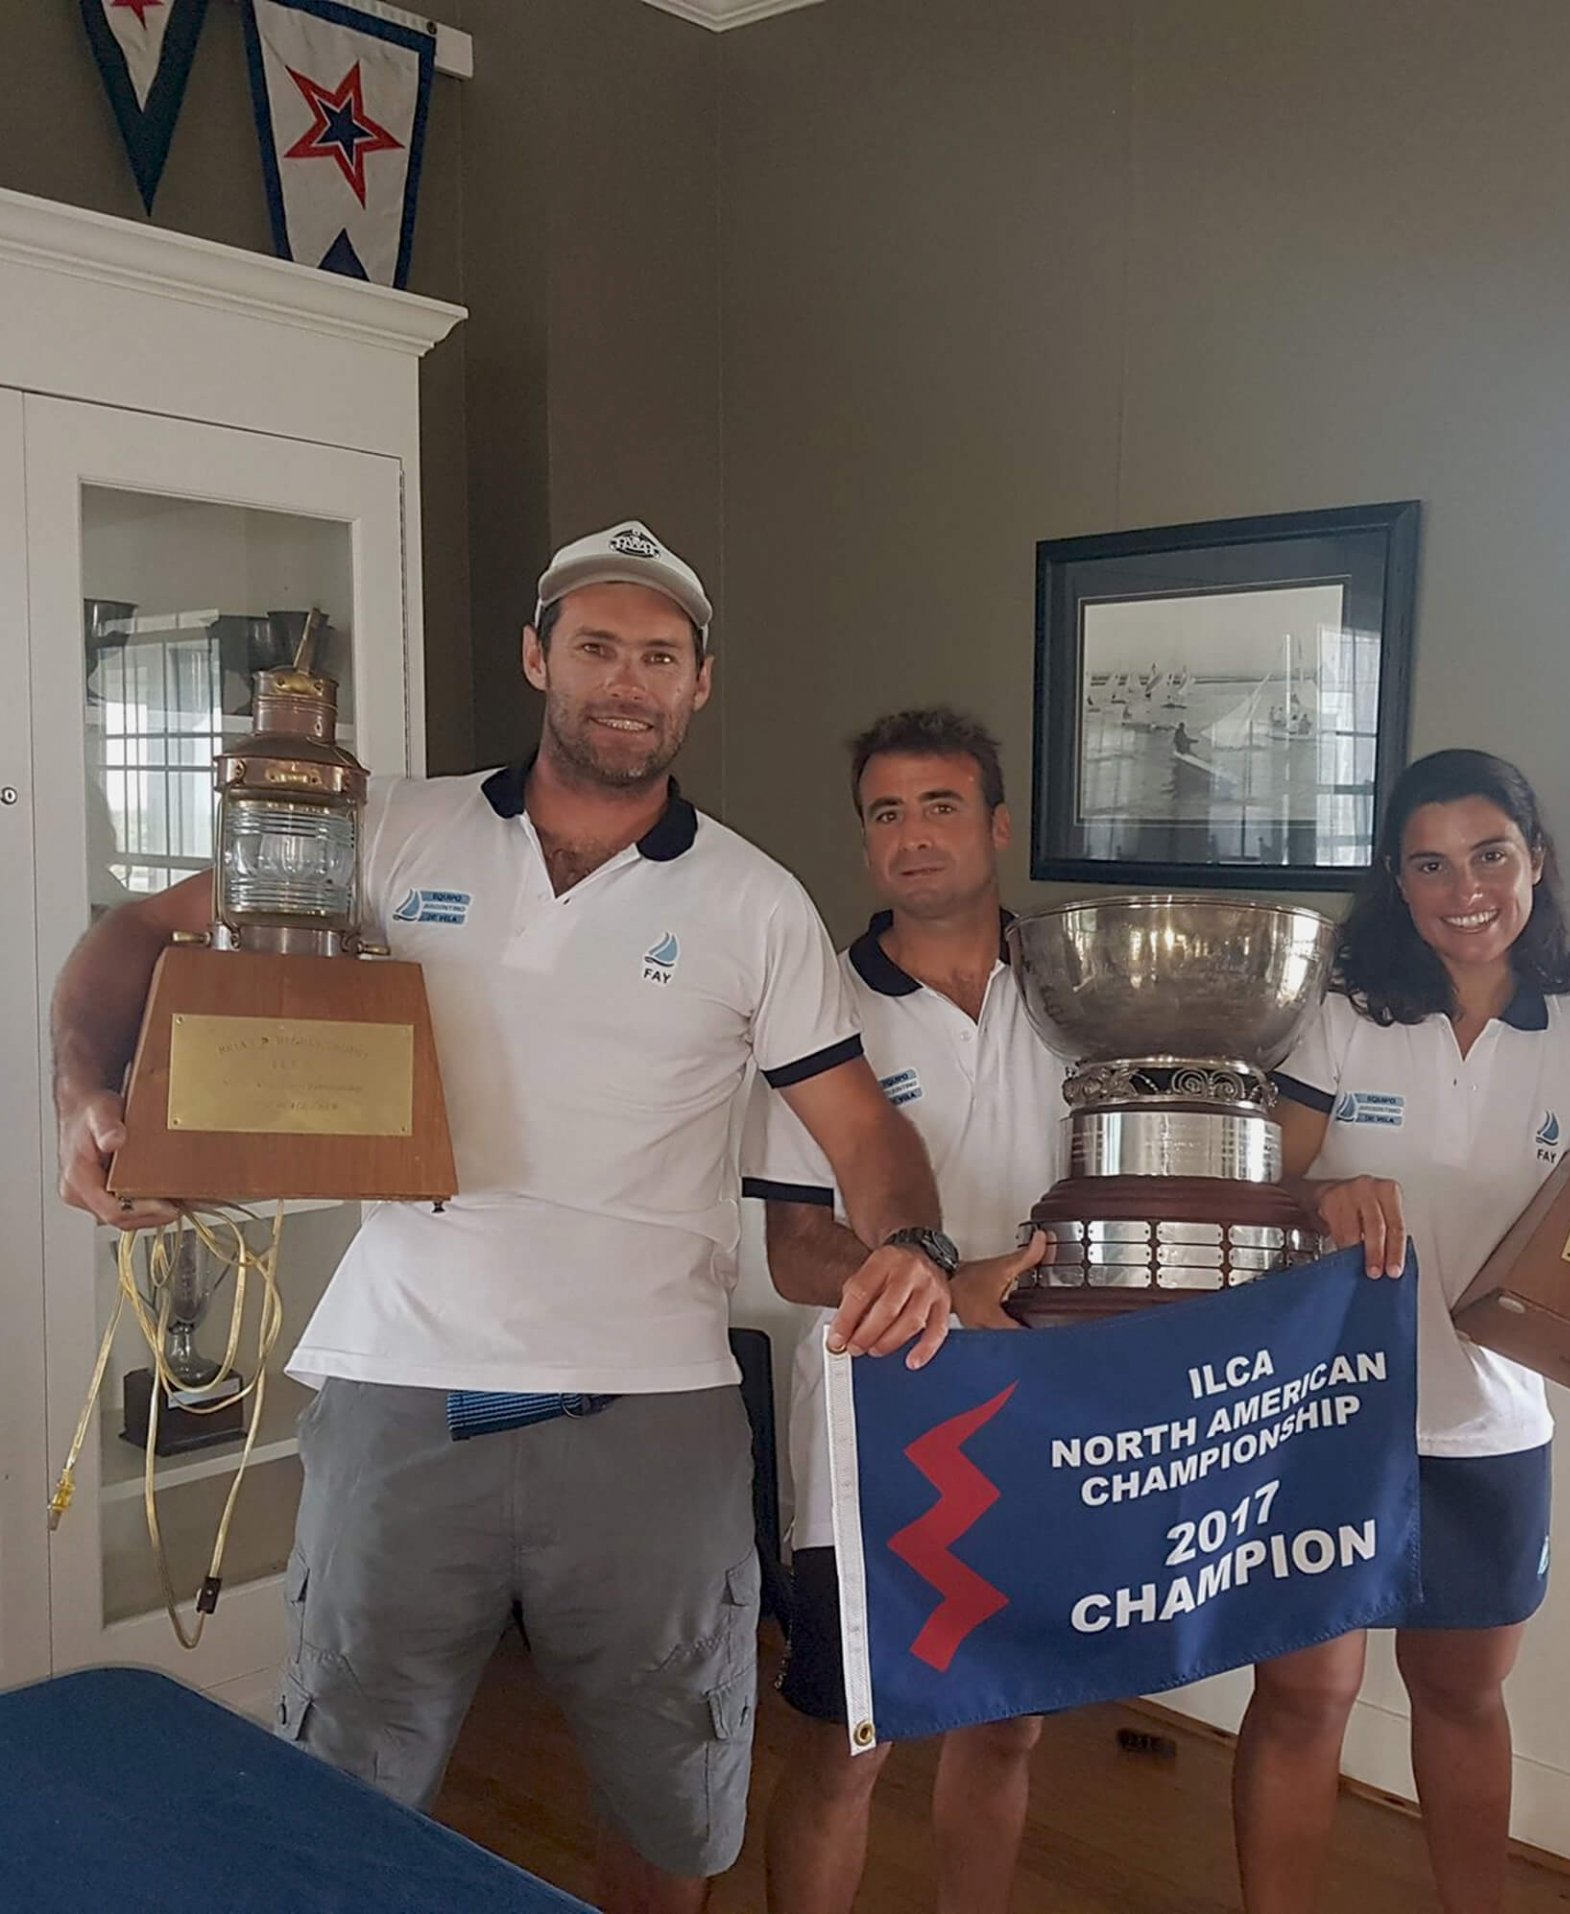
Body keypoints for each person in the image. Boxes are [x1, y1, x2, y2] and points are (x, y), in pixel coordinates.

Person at [51, 521, 955, 1914]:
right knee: (337, 1796)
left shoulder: (753, 901)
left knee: (669, 1809)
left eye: (659, 655)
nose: (626, 680)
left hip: (654, 1414)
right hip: (400, 1392)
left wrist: (914, 1243)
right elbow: (131, 937)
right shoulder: (386, 827)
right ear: (538, 656)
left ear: (700, 683)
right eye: (596, 645)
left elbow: (865, 1133)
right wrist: (88, 1097)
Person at [1234, 747, 1570, 1914]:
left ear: (1537, 863)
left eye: (1490, 855)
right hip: (1325, 1422)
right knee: (1303, 1700)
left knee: (1463, 1699)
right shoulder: (1341, 1023)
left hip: (1488, 1433)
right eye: (1429, 864)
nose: (1462, 888)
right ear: (1397, 878)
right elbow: (1253, 1195)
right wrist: (1319, 1199)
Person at [741, 708, 1067, 1914]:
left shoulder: (1078, 988)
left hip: (1041, 1412)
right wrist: (935, 1281)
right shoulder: (817, 1006)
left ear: (996, 825)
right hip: (876, 1429)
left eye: (940, 807)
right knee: (848, 1748)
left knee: (1009, 1728)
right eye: (887, 814)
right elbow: (793, 1247)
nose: (914, 838)